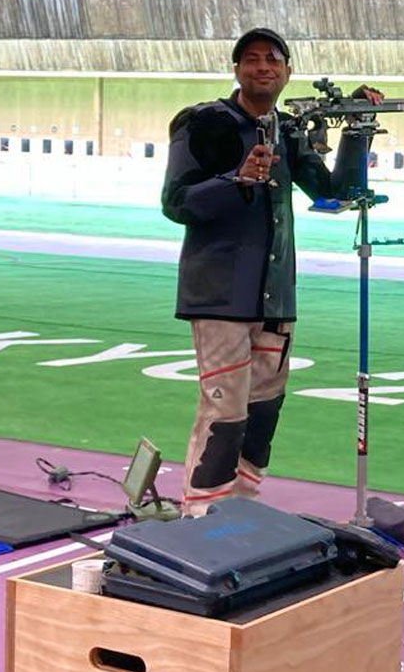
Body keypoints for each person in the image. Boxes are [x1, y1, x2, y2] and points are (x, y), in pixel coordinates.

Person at [161, 27, 383, 517]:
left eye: (273, 60)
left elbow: (335, 194)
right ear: (236, 69)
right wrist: (235, 179)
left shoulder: (287, 130)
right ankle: (199, 517)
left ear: (287, 72)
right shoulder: (203, 123)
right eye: (252, 59)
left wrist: (356, 129)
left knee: (263, 412)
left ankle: (240, 510)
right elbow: (176, 202)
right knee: (225, 413)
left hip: (275, 298)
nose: (263, 67)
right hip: (220, 296)